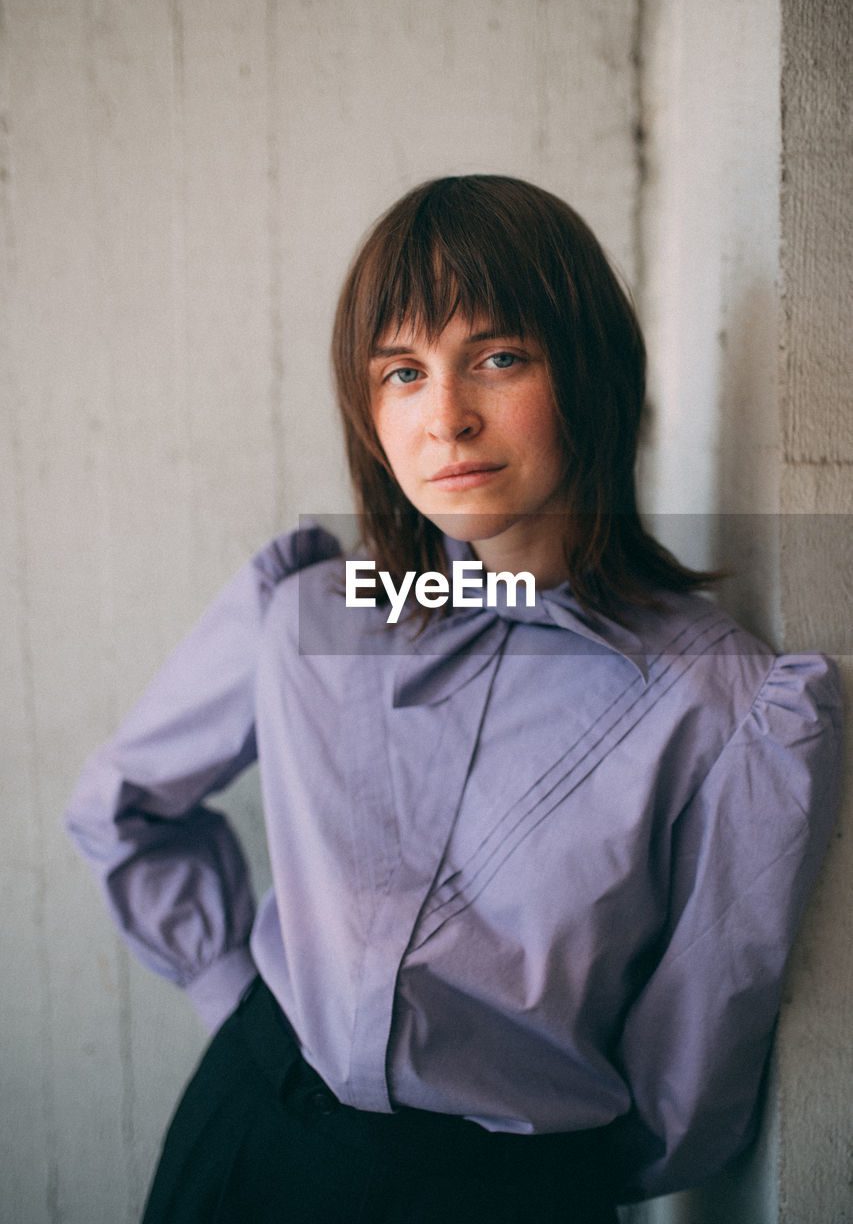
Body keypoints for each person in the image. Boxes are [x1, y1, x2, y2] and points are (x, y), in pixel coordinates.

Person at [67, 175, 842, 1223]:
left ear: (591, 371)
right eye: (400, 371)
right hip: (247, 1138)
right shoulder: (309, 614)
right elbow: (120, 807)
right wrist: (236, 1007)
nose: (446, 417)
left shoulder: (728, 708)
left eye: (498, 357)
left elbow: (688, 1088)